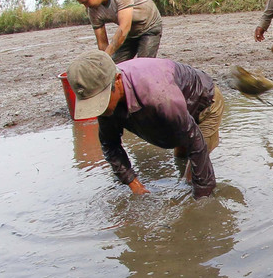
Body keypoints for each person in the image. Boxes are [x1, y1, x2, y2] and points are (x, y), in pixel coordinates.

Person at [66, 50, 224, 199]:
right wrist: (135, 185)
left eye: (101, 101)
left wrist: (202, 202)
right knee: (180, 157)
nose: (100, 109)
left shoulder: (159, 96)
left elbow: (196, 144)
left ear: (118, 80)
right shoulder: (105, 101)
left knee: (191, 177)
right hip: (176, 109)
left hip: (205, 104)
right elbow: (110, 145)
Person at [71, 0, 163, 64]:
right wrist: (105, 61)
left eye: (86, 2)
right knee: (114, 67)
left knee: (142, 66)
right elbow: (102, 43)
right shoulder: (92, 11)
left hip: (149, 27)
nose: (86, 6)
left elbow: (124, 28)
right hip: (130, 33)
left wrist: (105, 57)